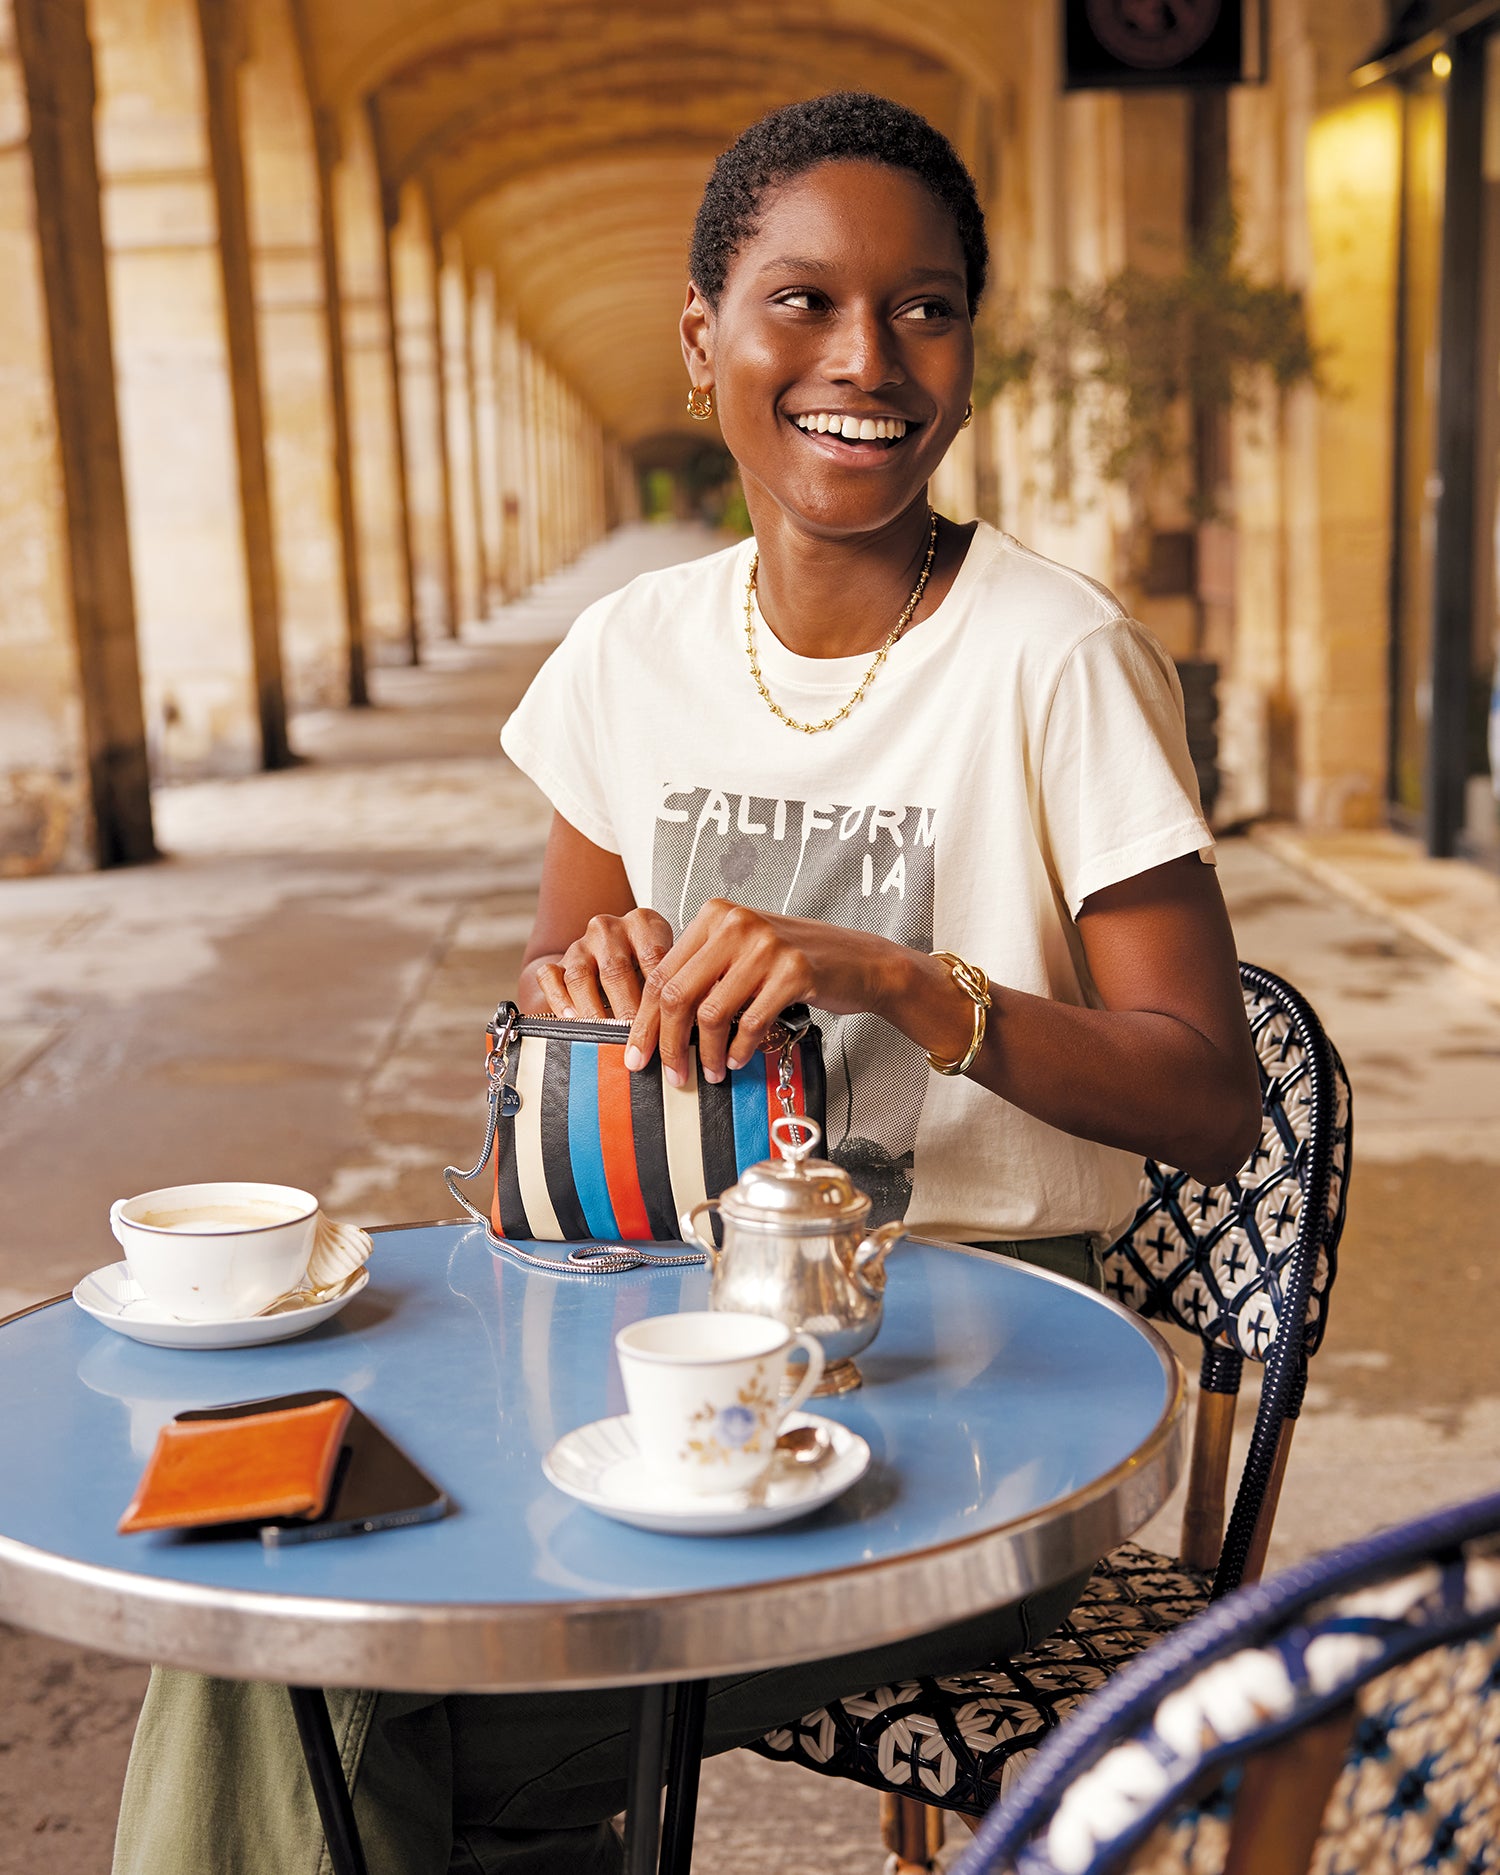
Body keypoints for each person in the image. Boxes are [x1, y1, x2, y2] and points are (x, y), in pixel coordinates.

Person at [114, 92, 1260, 1875]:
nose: (866, 356)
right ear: (703, 336)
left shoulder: (1058, 656)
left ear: (971, 342)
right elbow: (560, 1026)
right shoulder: (626, 657)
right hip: (653, 1337)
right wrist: (594, 977)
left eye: (926, 305)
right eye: (802, 300)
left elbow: (1209, 1093)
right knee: (263, 1623)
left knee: (344, 1726)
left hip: (980, 1383)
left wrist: (905, 978)